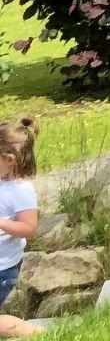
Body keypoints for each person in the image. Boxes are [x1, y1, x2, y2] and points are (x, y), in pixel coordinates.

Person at [0, 118, 38, 336]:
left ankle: (40, 335)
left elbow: (29, 227)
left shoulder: (21, 190)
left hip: (3, 267)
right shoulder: (3, 179)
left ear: (10, 160)